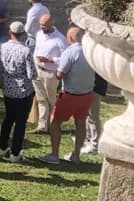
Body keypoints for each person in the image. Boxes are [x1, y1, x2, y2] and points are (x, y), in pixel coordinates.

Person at [39, 27, 96, 164]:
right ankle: (76, 155)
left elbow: (60, 74)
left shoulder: (70, 52)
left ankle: (54, 155)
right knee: (81, 123)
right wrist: (52, 59)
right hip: (87, 94)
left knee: (54, 123)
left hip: (70, 95)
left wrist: (46, 68)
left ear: (69, 38)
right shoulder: (91, 51)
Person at [0, 22, 37, 162]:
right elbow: (32, 74)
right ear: (23, 34)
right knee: (20, 123)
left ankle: (2, 147)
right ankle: (15, 153)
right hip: (24, 91)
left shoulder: (1, 47)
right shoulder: (26, 51)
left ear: (10, 33)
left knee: (8, 119)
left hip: (7, 89)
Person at [31, 14, 68, 134]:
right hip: (38, 70)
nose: (42, 27)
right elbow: (36, 49)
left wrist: (51, 60)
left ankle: (54, 124)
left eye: (45, 25)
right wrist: (35, 60)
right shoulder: (39, 34)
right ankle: (42, 126)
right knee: (41, 99)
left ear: (52, 24)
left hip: (51, 73)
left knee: (51, 100)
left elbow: (65, 58)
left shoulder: (60, 39)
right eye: (41, 25)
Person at [82, 72, 109, 155]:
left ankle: (94, 145)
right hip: (91, 87)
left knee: (93, 116)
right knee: (87, 116)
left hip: (95, 88)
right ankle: (88, 141)